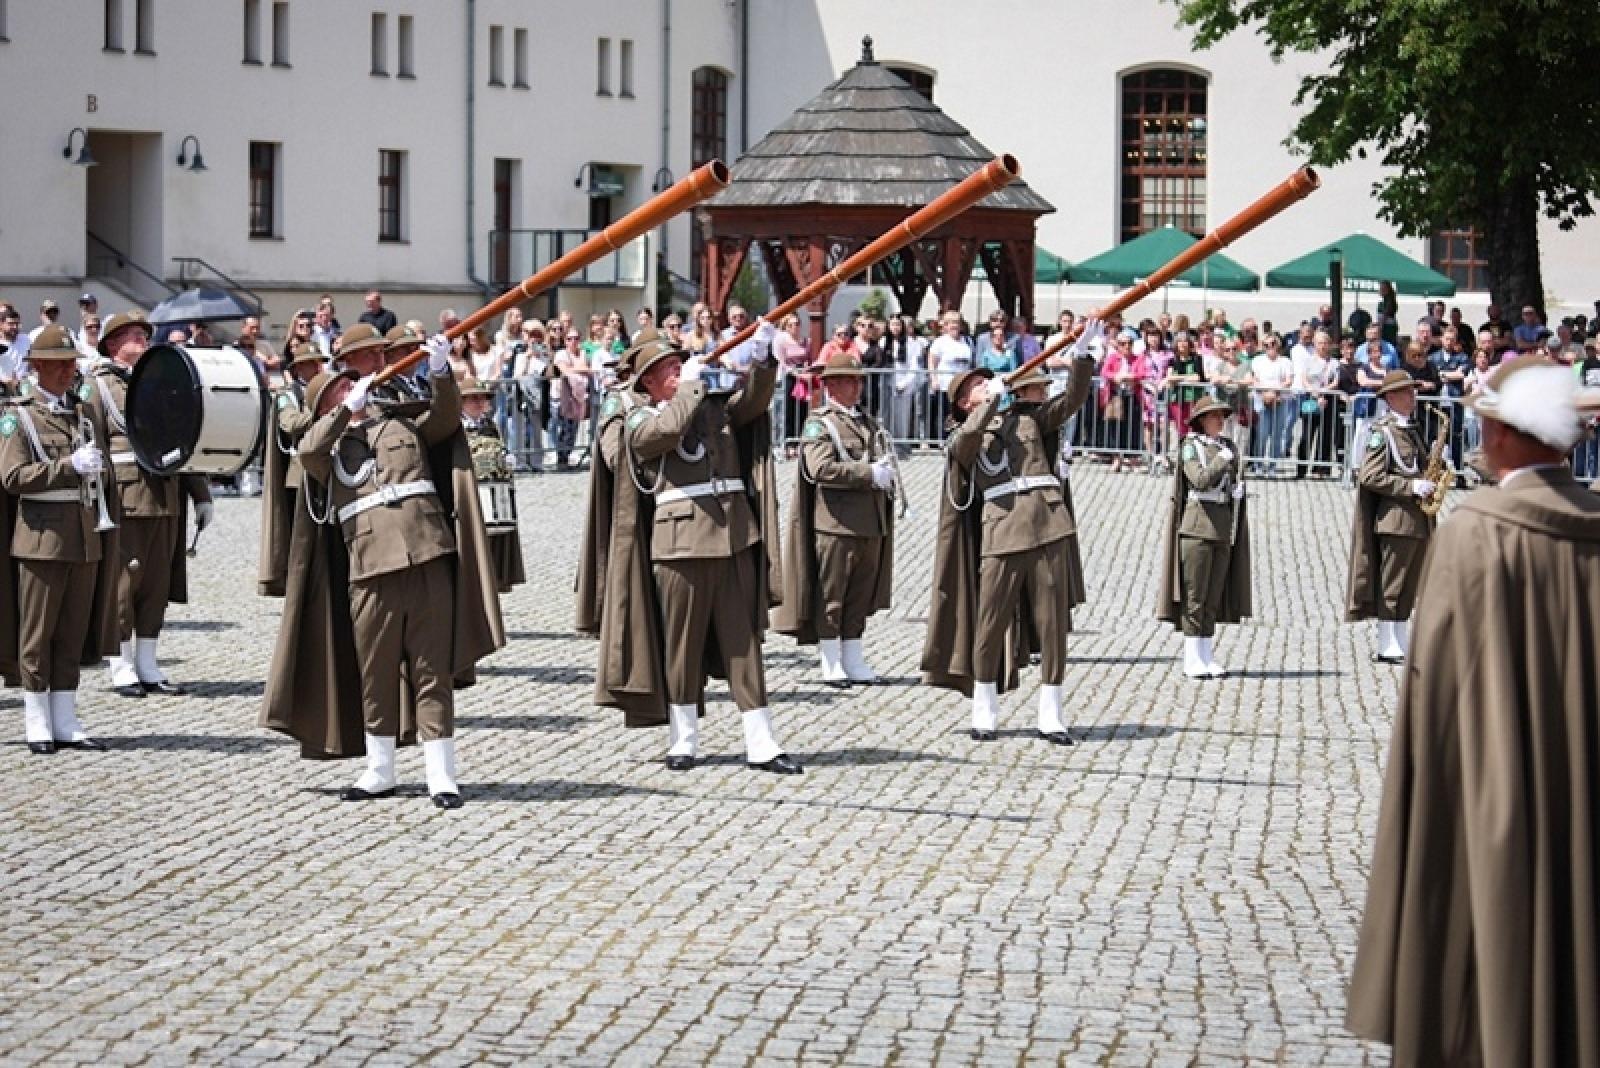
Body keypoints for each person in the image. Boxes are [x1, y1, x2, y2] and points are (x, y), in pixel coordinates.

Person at [1347, 356, 1600, 1066]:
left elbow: (1440, 696)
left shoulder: (1478, 530)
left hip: (1493, 798)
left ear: (1506, 434)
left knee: (1482, 973)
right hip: (1583, 788)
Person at [296, 333, 497, 808]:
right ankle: (379, 769)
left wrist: (442, 368)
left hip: (428, 555)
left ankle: (441, 774)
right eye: (337, 392)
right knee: (377, 672)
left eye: (350, 387)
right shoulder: (329, 443)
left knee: (432, 670)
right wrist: (344, 413)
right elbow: (306, 453)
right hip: (370, 568)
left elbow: (445, 418)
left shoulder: (401, 425)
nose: (349, 392)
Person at [614, 321, 798, 774]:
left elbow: (751, 403)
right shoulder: (639, 416)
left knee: (744, 645)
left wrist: (762, 359)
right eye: (668, 368)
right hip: (680, 546)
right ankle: (684, 739)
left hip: (734, 537)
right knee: (683, 647)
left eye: (679, 363)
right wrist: (689, 389)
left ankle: (762, 742)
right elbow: (663, 433)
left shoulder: (711, 407)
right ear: (648, 382)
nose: (678, 370)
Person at [921, 320, 1100, 745]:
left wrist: (1081, 357)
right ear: (964, 403)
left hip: (1048, 524)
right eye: (977, 388)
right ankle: (985, 709)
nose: (988, 387)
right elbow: (965, 444)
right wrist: (989, 405)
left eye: (989, 382)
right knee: (991, 621)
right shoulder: (964, 432)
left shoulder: (1028, 419)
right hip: (1001, 531)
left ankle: (1051, 713)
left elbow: (1070, 401)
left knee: (1052, 622)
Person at [0, 325, 120, 754]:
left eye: (72, 363)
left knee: (71, 632)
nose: (71, 371)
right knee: (39, 632)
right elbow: (13, 478)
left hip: (85, 535)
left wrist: (96, 468)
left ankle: (66, 718)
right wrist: (69, 465)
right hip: (41, 539)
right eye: (62, 365)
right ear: (39, 368)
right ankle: (36, 719)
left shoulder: (82, 414)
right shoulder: (19, 415)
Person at [85, 309, 212, 698]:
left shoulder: (159, 380)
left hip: (165, 493)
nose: (142, 340)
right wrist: (96, 502)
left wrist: (201, 494)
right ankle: (121, 663)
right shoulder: (98, 386)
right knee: (125, 580)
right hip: (125, 495)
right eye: (133, 335)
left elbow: (181, 438)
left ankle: (148, 662)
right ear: (112, 345)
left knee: (157, 582)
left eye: (144, 334)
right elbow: (93, 444)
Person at [775, 348, 896, 686]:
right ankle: (831, 660)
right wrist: (868, 473)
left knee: (859, 593)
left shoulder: (867, 421)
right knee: (832, 594)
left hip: (869, 521)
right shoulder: (820, 423)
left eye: (857, 381)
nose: (856, 388)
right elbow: (820, 468)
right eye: (847, 381)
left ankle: (853, 657)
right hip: (835, 523)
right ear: (830, 385)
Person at [1155, 396, 1251, 679]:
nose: (1220, 421)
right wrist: (1222, 462)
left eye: (1221, 416)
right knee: (1194, 594)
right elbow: (1199, 479)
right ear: (1200, 420)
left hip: (1222, 525)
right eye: (1213, 416)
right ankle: (1191, 656)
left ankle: (1207, 653)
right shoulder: (1190, 447)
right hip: (1196, 526)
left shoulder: (1227, 447)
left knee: (1213, 595)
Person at [1345, 371, 1437, 663]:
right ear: (1391, 398)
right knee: (1392, 585)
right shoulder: (1381, 433)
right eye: (1407, 392)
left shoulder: (1411, 430)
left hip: (1418, 519)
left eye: (1413, 391)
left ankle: (1400, 637)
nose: (1413, 397)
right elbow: (1370, 475)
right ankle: (1387, 642)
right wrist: (1411, 486)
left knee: (1409, 585)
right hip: (1395, 519)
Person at [257, 343, 324, 597]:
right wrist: (321, 411)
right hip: (299, 473)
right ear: (299, 369)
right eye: (312, 363)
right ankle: (298, 583)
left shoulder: (325, 389)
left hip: (324, 467)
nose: (318, 367)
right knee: (301, 537)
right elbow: (290, 423)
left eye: (319, 362)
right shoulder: (289, 394)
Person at [459, 376, 525, 594]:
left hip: (494, 494)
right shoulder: (456, 428)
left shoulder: (489, 425)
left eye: (483, 399)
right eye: (473, 399)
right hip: (471, 494)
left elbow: (499, 448)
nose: (479, 403)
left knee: (495, 546)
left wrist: (505, 458)